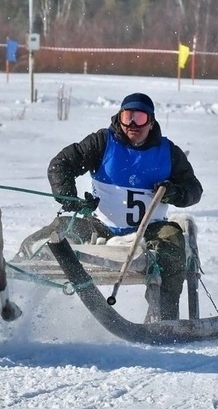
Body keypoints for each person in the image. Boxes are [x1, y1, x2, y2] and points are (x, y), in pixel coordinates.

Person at [17, 92, 202, 321]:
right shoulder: (102, 142)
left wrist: (176, 192)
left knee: (173, 243)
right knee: (53, 234)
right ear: (119, 118)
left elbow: (194, 189)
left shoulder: (168, 152)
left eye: (140, 118)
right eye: (128, 116)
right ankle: (12, 284)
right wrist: (70, 199)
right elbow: (61, 165)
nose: (133, 124)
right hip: (100, 226)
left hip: (150, 229)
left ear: (151, 122)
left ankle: (164, 321)